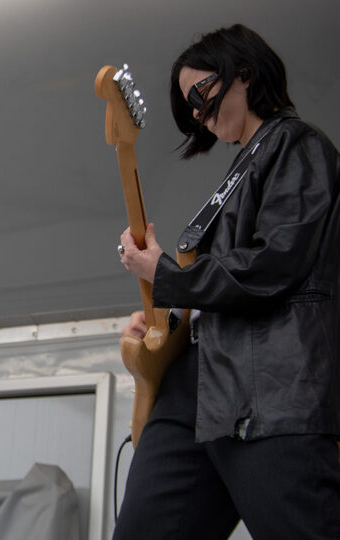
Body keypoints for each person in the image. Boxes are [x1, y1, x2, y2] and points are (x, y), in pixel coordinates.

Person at [112, 24, 340, 539]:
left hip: (267, 388)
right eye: (189, 107)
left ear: (244, 72)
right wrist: (168, 314)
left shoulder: (298, 145)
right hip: (196, 385)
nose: (198, 113)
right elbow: (222, 285)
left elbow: (275, 264)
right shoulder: (244, 164)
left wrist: (167, 275)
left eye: (201, 94)